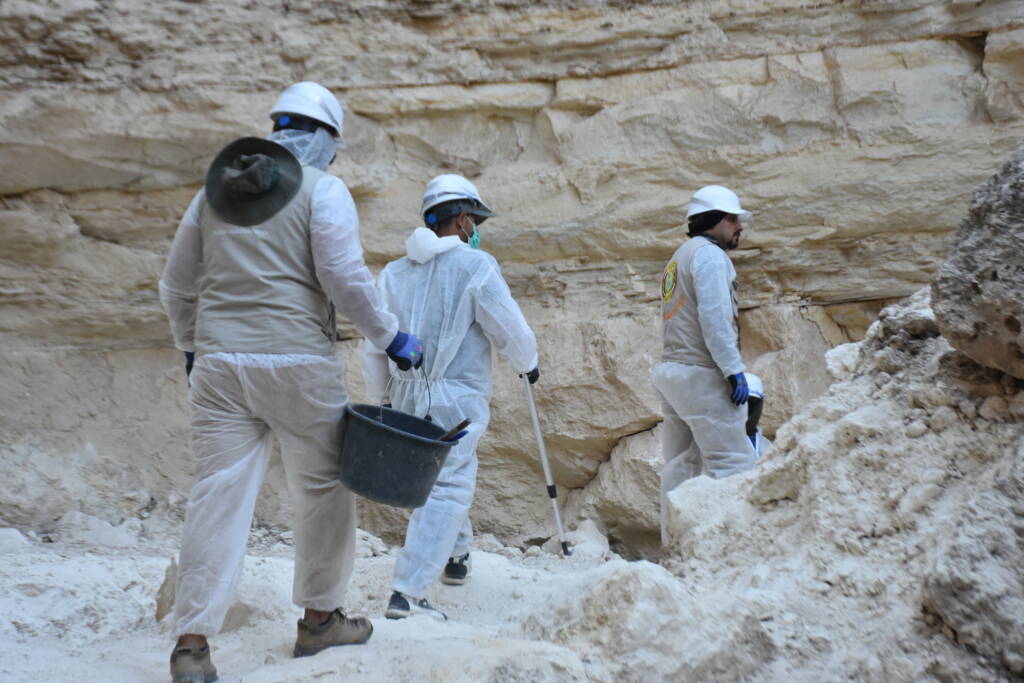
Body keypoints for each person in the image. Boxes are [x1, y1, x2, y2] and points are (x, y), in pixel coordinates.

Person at [159, 81, 425, 683]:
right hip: (298, 363)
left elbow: (175, 286)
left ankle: (192, 646)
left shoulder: (212, 195)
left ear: (277, 129)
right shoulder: (324, 189)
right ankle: (321, 620)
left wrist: (191, 348)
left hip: (221, 367)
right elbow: (342, 274)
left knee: (216, 497)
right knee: (325, 489)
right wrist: (391, 338)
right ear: (327, 138)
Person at [362, 174, 538, 621]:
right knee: (449, 486)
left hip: (404, 395)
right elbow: (508, 327)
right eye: (474, 220)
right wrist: (528, 362)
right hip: (455, 400)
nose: (476, 228)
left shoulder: (395, 272)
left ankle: (456, 558)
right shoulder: (476, 266)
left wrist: (380, 400)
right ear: (461, 220)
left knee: (432, 479)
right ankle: (409, 591)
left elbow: (375, 342)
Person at [651, 185, 762, 541]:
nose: (739, 227)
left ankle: (675, 548)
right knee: (735, 463)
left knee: (682, 467)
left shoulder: (679, 256)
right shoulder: (712, 258)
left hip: (672, 372)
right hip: (701, 374)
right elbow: (715, 319)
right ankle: (737, 552)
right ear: (717, 220)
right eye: (734, 219)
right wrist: (733, 370)